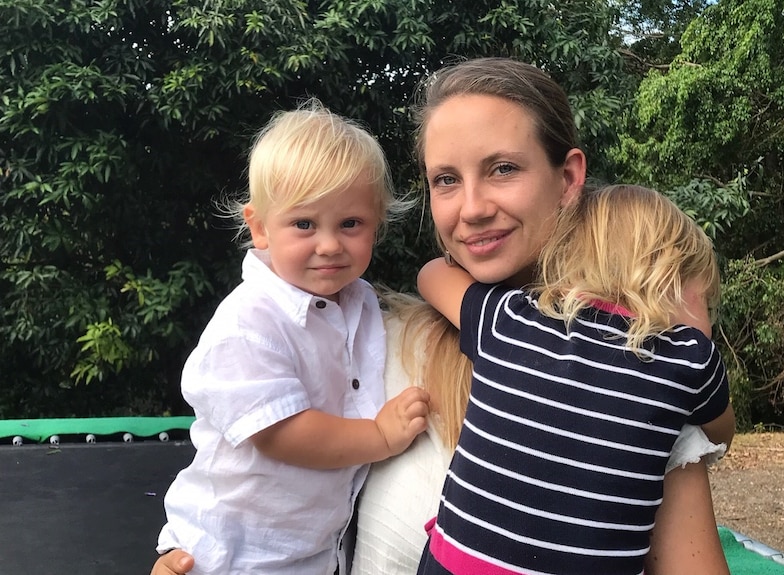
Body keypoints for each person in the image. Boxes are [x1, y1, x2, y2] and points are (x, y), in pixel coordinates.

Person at [151, 57, 733, 575]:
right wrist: (192, 552)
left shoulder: (639, 389)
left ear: (568, 177)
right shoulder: (375, 334)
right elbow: (253, 471)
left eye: (503, 168)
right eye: (446, 180)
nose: (473, 209)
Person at [154, 100, 430, 575]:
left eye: (351, 224)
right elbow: (281, 434)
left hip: (315, 549)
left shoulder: (359, 302)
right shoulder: (250, 321)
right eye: (304, 224)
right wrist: (380, 435)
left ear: (376, 225)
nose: (329, 244)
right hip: (235, 553)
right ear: (260, 227)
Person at [414, 183, 734, 574]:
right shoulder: (687, 356)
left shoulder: (509, 318)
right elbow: (718, 431)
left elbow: (432, 274)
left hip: (452, 566)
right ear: (670, 281)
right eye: (708, 302)